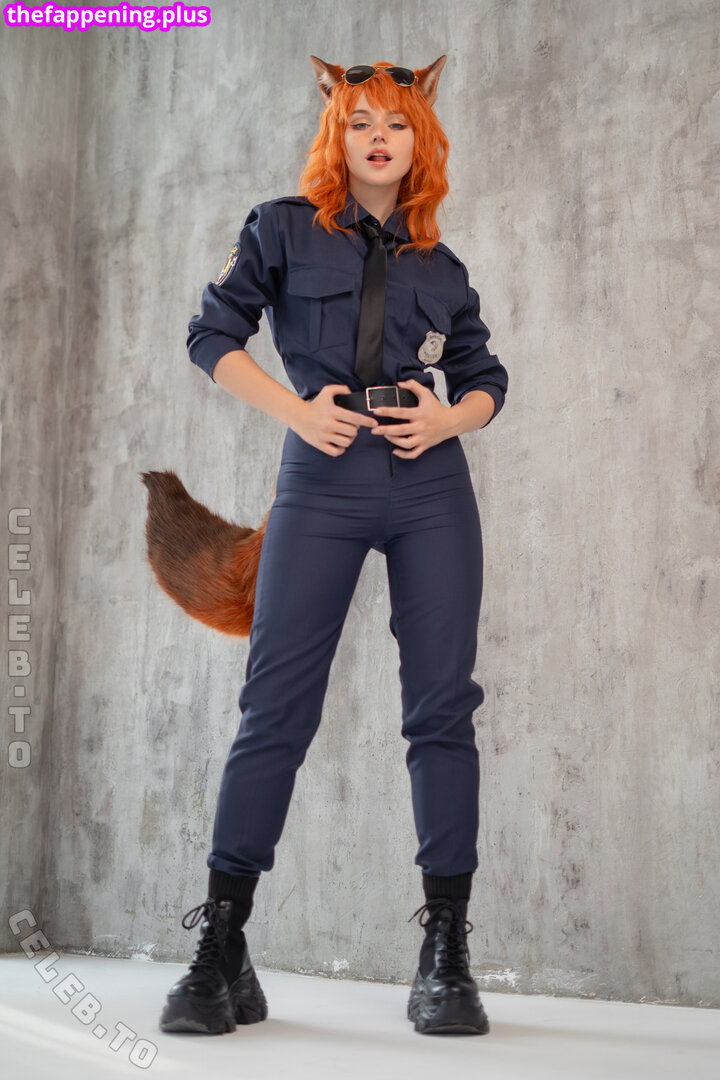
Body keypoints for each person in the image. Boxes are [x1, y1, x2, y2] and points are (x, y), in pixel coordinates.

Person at [159, 54, 508, 1038]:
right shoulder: (280, 227)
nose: (379, 137)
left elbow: (486, 375)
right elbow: (211, 337)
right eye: (360, 122)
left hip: (430, 486)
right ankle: (222, 944)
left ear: (419, 137)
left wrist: (449, 419)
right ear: (338, 134)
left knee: (442, 710)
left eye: (395, 122)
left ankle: (446, 953)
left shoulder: (442, 264)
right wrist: (296, 412)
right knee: (276, 706)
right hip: (321, 476)